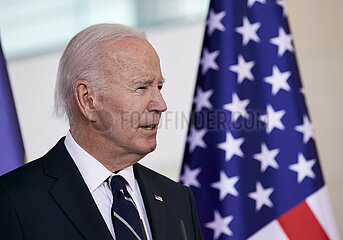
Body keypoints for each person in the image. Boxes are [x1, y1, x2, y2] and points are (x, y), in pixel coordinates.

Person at [0, 23, 203, 240]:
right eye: (141, 88)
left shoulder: (178, 199)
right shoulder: (13, 202)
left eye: (159, 87)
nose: (161, 105)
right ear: (88, 99)